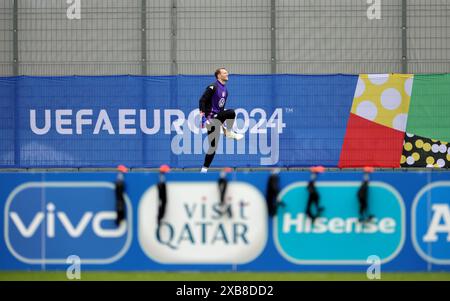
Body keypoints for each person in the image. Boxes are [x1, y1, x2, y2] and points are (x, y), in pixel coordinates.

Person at [198, 68, 243, 173]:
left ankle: (229, 131)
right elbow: (202, 100)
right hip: (210, 119)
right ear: (218, 75)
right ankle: (230, 132)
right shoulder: (213, 87)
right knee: (213, 147)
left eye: (227, 72)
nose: (227, 73)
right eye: (224, 72)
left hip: (217, 119)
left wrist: (222, 124)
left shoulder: (225, 91)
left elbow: (221, 109)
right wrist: (203, 117)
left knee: (231, 113)